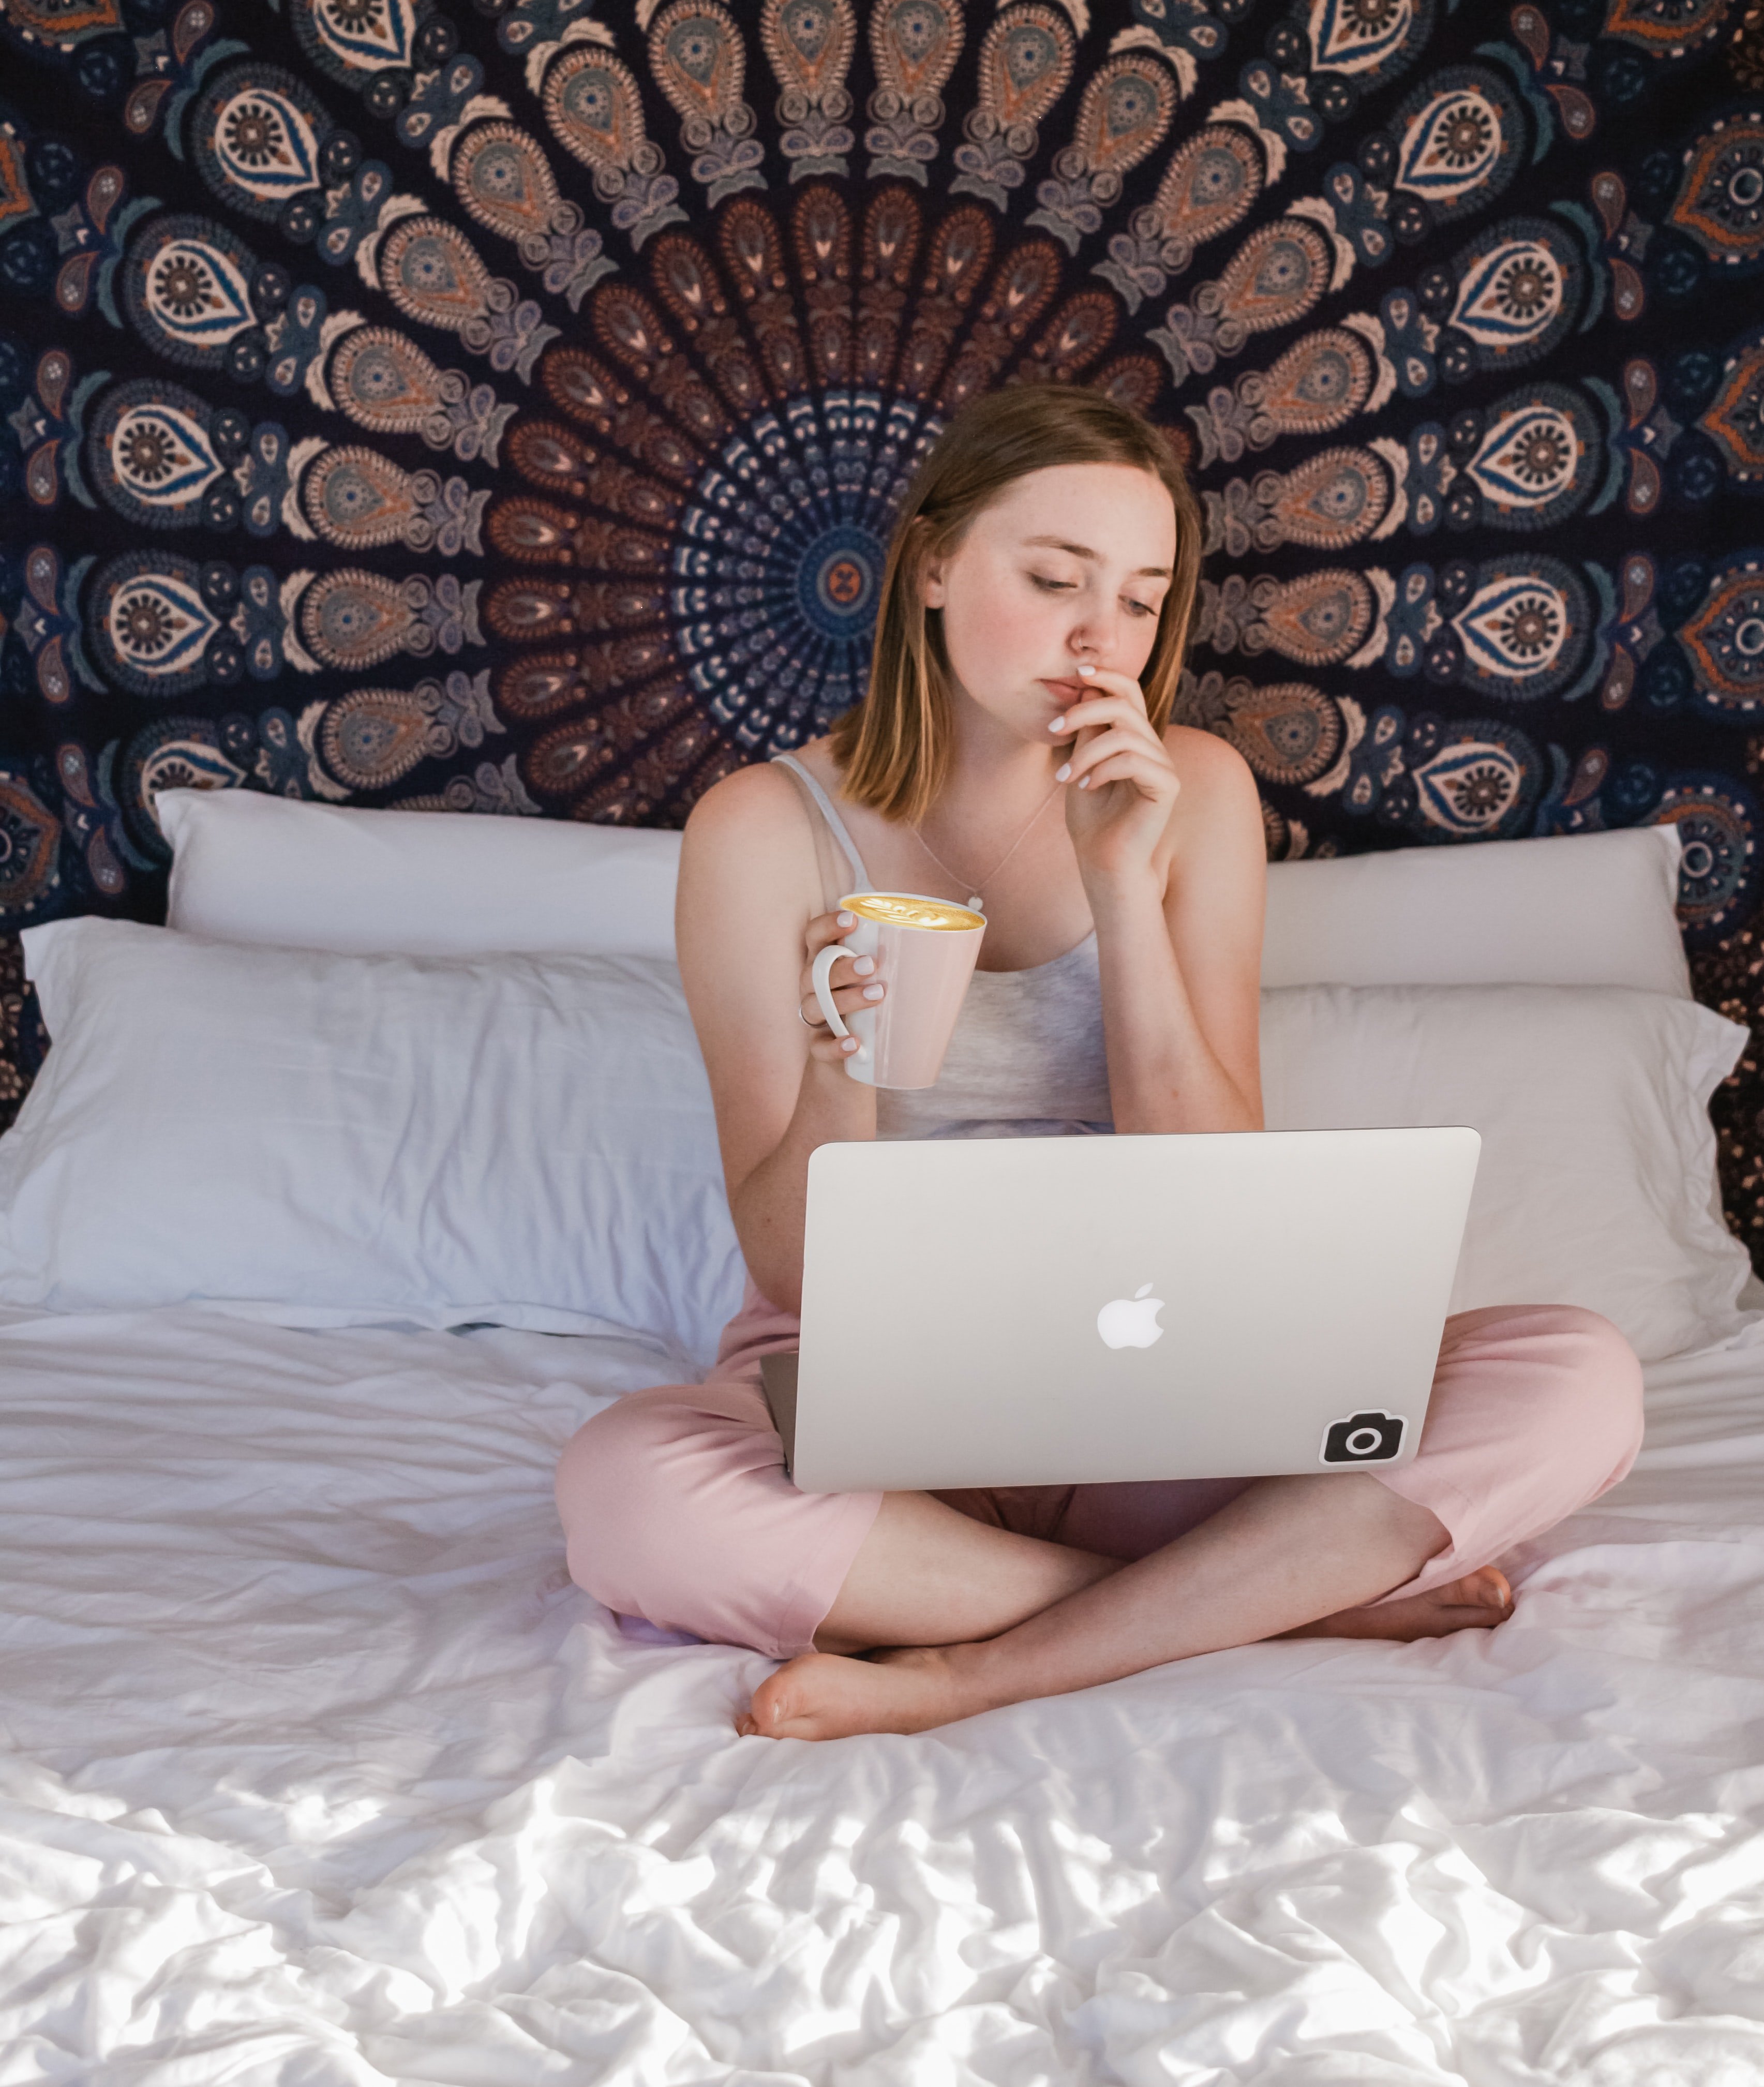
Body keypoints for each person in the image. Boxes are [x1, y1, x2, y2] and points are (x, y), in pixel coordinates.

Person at [555, 383, 1644, 1742]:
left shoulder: (1193, 792)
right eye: (1054, 577)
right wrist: (843, 1063)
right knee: (625, 1488)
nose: (1099, 636)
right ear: (934, 564)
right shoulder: (763, 828)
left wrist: (1121, 885)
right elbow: (788, 1268)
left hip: (1161, 1363)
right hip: (874, 1382)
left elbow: (1217, 1195)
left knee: (1576, 1370)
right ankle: (1263, 1596)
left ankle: (971, 1663)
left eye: (1137, 598)